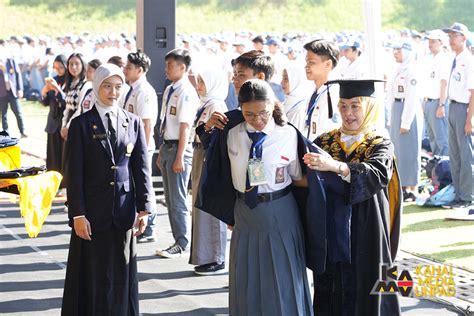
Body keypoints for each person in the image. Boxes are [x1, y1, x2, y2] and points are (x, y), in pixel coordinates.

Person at [198, 79, 313, 315]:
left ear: (273, 106)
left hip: (281, 213)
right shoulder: (231, 133)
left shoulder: (288, 134)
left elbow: (298, 176)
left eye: (264, 113)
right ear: (240, 110)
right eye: (249, 114)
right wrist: (208, 126)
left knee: (283, 281)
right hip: (245, 213)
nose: (258, 120)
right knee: (246, 282)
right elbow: (211, 154)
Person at [61, 63, 154, 315]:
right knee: (92, 275)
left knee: (122, 274)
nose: (113, 92)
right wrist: (77, 214)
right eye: (107, 86)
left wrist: (144, 209)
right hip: (91, 214)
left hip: (123, 212)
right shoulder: (81, 124)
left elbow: (141, 168)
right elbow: (74, 173)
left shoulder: (132, 122)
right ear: (96, 86)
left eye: (117, 87)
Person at [304, 79, 402, 316]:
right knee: (330, 284)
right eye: (344, 106)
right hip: (331, 226)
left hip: (366, 226)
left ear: (369, 107)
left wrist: (336, 166)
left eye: (355, 106)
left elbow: (377, 174)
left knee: (370, 281)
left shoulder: (379, 142)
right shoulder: (325, 141)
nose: (348, 113)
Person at [155, 48, 200, 258]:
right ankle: (177, 239)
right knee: (170, 198)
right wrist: (162, 149)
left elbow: (185, 127)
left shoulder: (186, 92)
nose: (166, 69)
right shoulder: (171, 88)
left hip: (179, 148)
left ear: (182, 67)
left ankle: (182, 242)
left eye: (170, 65)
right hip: (168, 145)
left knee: (178, 199)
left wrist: (180, 155)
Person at [189, 67, 228, 275]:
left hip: (208, 156)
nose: (198, 86)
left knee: (210, 206)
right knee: (200, 206)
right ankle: (205, 254)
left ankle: (216, 256)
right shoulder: (205, 104)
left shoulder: (216, 104)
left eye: (202, 81)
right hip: (199, 153)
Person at [123, 50, 158, 242]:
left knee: (145, 183)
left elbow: (146, 123)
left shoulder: (144, 91)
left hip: (140, 145)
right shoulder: (133, 89)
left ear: (140, 70)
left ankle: (149, 227)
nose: (125, 70)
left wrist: (141, 150)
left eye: (129, 67)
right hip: (132, 145)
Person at [385, 41, 423, 202]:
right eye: (394, 50)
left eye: (398, 50)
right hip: (397, 109)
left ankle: (412, 187)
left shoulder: (411, 70)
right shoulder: (397, 69)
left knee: (410, 151)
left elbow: (412, 98)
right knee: (399, 151)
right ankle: (402, 185)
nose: (395, 53)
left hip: (408, 111)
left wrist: (405, 121)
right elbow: (390, 94)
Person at [442, 23, 474, 209]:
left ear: (463, 38)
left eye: (454, 36)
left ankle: (468, 195)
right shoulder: (455, 59)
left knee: (466, 154)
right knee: (454, 154)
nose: (451, 39)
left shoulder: (468, 60)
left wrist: (469, 118)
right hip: (453, 106)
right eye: (450, 36)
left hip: (463, 109)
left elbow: (472, 92)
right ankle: (459, 193)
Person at [304, 39, 341, 141]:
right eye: (306, 62)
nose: (306, 66)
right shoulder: (316, 92)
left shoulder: (333, 95)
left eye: (311, 62)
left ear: (328, 64)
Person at [421, 30, 449, 156]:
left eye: (433, 41)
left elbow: (444, 83)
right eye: (429, 41)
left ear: (441, 42)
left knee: (441, 139)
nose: (430, 44)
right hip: (428, 101)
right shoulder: (430, 58)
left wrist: (441, 105)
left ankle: (445, 170)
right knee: (432, 139)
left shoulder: (444, 58)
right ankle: (438, 169)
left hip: (437, 101)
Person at [41, 54, 67, 185]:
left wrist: (58, 89)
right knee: (52, 154)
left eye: (60, 67)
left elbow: (67, 102)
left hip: (65, 122)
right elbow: (45, 102)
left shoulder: (71, 81)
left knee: (64, 154)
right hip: (52, 122)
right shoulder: (54, 79)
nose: (58, 70)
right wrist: (44, 92)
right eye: (55, 68)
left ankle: (64, 182)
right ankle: (52, 181)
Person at [60, 53, 91, 141]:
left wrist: (68, 126)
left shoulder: (86, 85)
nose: (73, 67)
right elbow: (67, 108)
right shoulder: (70, 84)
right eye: (71, 64)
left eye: (77, 63)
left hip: (78, 124)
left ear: (83, 65)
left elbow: (80, 109)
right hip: (68, 124)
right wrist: (63, 126)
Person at [281, 60, 313, 132]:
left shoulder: (299, 109)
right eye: (282, 78)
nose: (281, 82)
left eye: (286, 79)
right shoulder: (287, 102)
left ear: (296, 81)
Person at [0, 55, 27, 137]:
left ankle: (22, 131)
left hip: (13, 91)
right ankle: (5, 132)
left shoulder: (11, 61)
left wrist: (20, 89)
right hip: (1, 92)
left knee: (18, 112)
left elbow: (18, 75)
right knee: (3, 113)